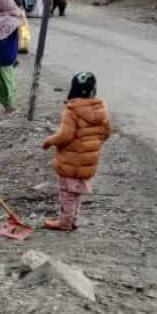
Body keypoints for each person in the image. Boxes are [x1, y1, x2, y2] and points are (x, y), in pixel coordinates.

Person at [42, 72, 111, 231]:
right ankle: (73, 220)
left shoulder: (72, 110)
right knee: (76, 193)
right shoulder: (101, 109)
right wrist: (92, 144)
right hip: (88, 161)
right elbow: (106, 133)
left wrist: (48, 141)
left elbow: (65, 136)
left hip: (71, 161)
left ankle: (64, 223)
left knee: (67, 193)